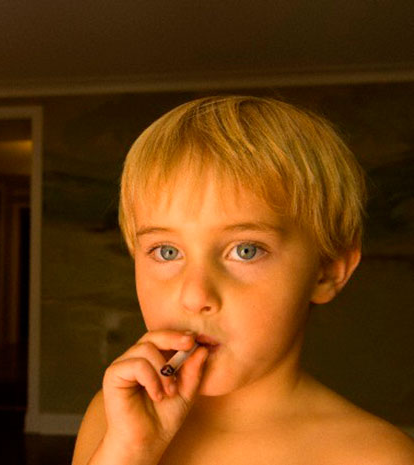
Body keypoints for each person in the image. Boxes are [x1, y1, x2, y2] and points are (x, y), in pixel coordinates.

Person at [72, 96, 414, 464]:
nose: (195, 295)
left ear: (328, 270)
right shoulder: (115, 420)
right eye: (167, 251)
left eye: (246, 250)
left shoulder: (378, 456)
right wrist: (128, 453)